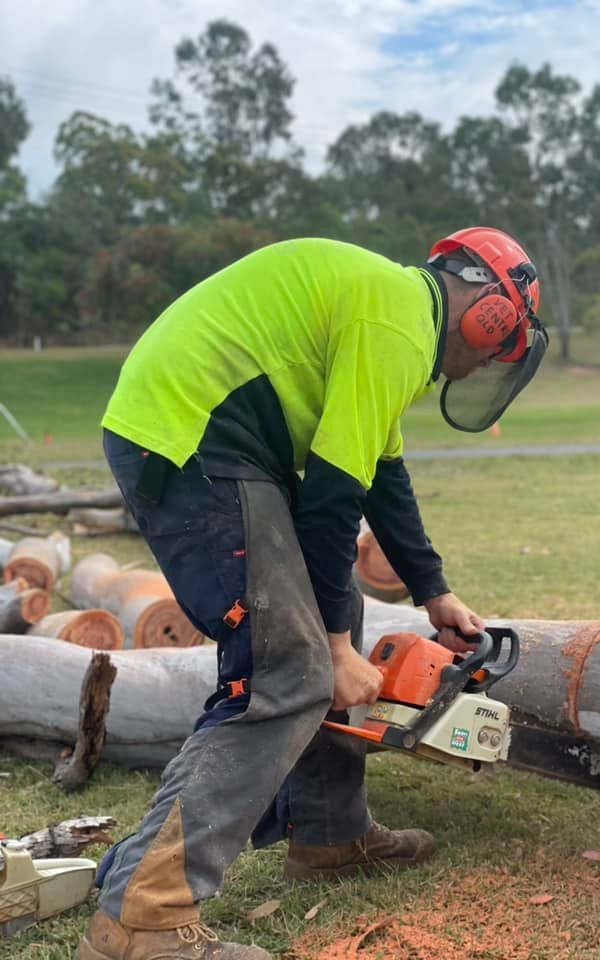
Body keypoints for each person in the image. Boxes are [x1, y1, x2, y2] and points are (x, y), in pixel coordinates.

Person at [77, 227, 546, 960]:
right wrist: (329, 650)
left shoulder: (394, 313)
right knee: (288, 669)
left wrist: (434, 591)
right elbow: (331, 496)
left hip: (222, 437)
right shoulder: (396, 321)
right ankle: (143, 917)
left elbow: (381, 475)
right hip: (199, 435)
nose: (492, 357)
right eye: (499, 341)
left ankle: (331, 833)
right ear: (491, 312)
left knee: (337, 614)